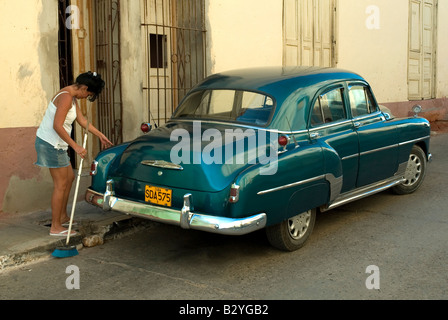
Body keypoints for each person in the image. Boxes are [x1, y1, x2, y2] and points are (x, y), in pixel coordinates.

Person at [35, 71, 113, 237]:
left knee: (69, 178)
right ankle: (55, 227)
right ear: (84, 88)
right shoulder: (66, 97)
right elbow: (57, 125)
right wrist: (76, 146)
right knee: (61, 184)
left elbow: (82, 120)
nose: (87, 97)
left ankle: (62, 216)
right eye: (89, 94)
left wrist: (99, 135)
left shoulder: (72, 96)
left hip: (58, 145)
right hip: (51, 144)